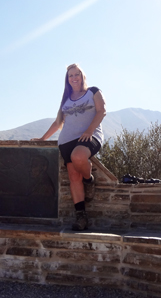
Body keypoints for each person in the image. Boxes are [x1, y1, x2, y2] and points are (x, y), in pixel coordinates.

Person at [32, 64, 106, 231]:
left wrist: (89, 130)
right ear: (67, 79)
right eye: (70, 75)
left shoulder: (93, 92)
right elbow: (59, 122)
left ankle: (89, 180)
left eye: (77, 74)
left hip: (89, 136)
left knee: (78, 157)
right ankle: (81, 216)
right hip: (66, 140)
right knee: (73, 177)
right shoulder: (66, 98)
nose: (74, 77)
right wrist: (43, 138)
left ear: (82, 76)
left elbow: (102, 111)